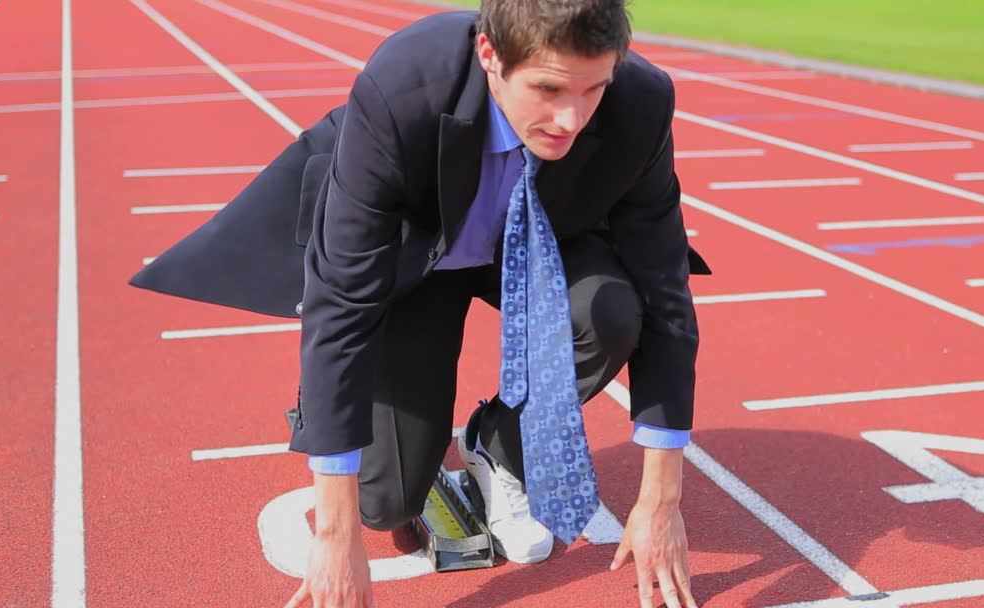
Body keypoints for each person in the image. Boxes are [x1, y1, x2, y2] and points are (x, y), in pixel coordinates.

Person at [131, 2, 706, 607]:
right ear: (490, 55)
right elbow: (342, 303)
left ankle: (498, 447)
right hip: (413, 250)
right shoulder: (405, 85)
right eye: (548, 89)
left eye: (594, 89)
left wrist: (661, 501)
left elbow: (665, 293)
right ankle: (331, 411)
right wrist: (335, 534)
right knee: (385, 504)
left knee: (612, 313)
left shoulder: (641, 102)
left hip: (534, 241)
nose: (572, 118)